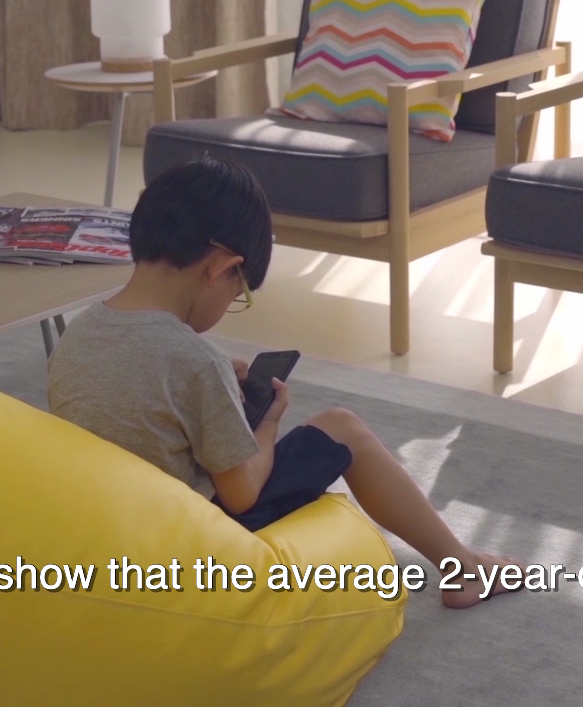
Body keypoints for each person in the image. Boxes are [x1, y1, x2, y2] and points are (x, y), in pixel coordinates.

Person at [49, 156, 517, 609]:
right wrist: (268, 421)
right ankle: (464, 567)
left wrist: (217, 402)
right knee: (342, 428)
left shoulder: (79, 331)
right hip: (189, 541)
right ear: (220, 268)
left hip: (108, 530)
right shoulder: (196, 362)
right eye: (239, 293)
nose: (232, 302)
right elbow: (241, 494)